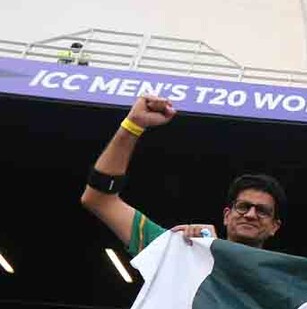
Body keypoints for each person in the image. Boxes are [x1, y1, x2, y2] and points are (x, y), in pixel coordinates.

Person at [80, 95, 287, 256]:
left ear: (274, 227)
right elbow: (99, 199)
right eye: (243, 206)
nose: (250, 214)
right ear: (226, 215)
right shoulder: (182, 251)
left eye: (262, 211)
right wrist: (132, 125)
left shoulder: (285, 281)